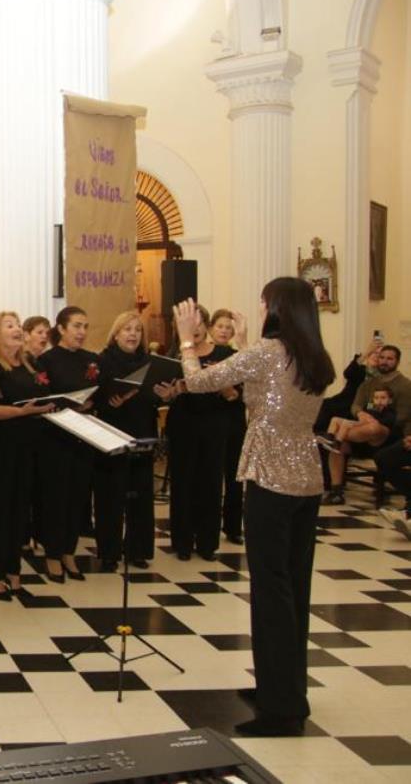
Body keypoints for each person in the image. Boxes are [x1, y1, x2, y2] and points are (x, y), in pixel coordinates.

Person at [173, 278, 335, 737]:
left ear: (277, 307)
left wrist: (188, 339)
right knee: (292, 588)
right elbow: (268, 390)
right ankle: (280, 688)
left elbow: (198, 380)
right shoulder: (312, 355)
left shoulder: (268, 351)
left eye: (264, 301)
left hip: (269, 476)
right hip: (306, 476)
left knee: (271, 592)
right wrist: (245, 344)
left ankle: (283, 709)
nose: (259, 306)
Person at [0, 312, 54, 599]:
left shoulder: (27, 363)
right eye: (10, 326)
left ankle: (13, 571)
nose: (18, 330)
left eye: (18, 325)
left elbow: (40, 393)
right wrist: (23, 411)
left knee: (19, 510)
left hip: (25, 445)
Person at [92, 311, 169, 572]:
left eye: (137, 330)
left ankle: (138, 549)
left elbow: (155, 395)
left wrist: (164, 394)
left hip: (142, 430)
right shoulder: (103, 360)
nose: (133, 334)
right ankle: (109, 552)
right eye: (127, 329)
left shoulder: (149, 362)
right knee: (110, 494)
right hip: (112, 430)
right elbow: (96, 397)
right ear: (116, 333)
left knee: (141, 492)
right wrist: (110, 400)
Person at [163, 304, 234, 560]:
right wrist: (169, 393)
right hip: (183, 421)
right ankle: (182, 542)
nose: (194, 329)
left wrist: (222, 387)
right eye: (187, 325)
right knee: (182, 482)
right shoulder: (174, 354)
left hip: (214, 422)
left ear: (206, 325)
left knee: (211, 482)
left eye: (198, 323)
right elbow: (165, 392)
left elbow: (235, 394)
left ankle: (207, 542)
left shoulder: (224, 353)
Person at [36, 306, 99, 581]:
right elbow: (42, 396)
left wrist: (93, 401)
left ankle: (69, 552)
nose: (82, 332)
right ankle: (52, 554)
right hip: (55, 437)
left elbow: (102, 390)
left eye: (85, 326)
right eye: (76, 326)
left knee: (77, 496)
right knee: (55, 497)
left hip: (82, 434)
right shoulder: (46, 360)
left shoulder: (91, 360)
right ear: (61, 329)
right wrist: (69, 402)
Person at [321, 345, 411, 504]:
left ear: (397, 361)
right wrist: (361, 414)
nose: (384, 361)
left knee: (372, 428)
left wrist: (376, 420)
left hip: (388, 434)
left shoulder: (405, 385)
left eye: (389, 359)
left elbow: (402, 417)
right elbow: (356, 405)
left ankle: (332, 439)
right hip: (362, 432)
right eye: (382, 357)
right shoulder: (368, 383)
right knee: (338, 443)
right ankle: (336, 491)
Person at [209, 308, 248, 545]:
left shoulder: (239, 356)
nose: (224, 331)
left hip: (234, 419)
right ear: (212, 328)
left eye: (229, 328)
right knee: (212, 476)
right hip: (212, 419)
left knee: (235, 475)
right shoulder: (203, 353)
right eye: (221, 326)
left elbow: (250, 388)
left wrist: (233, 393)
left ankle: (233, 526)